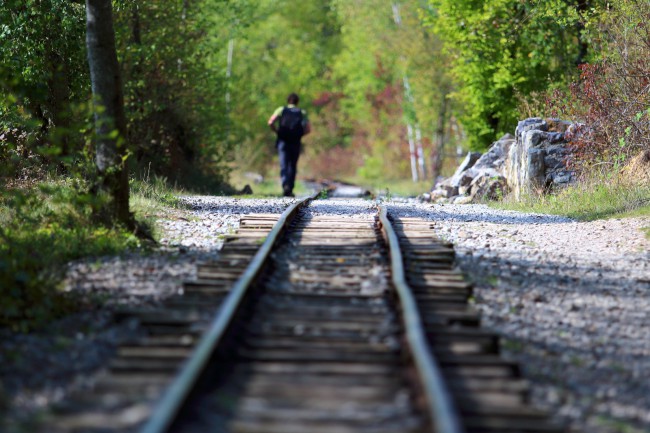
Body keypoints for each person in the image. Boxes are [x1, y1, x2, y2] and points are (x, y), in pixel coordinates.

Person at [267, 93, 311, 197]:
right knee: (292, 165)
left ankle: (285, 185)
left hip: (283, 141)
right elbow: (308, 129)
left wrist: (277, 131)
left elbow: (270, 122)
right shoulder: (302, 112)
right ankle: (290, 188)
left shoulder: (281, 110)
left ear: (288, 101)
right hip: (295, 142)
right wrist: (299, 135)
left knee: (283, 164)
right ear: (297, 102)